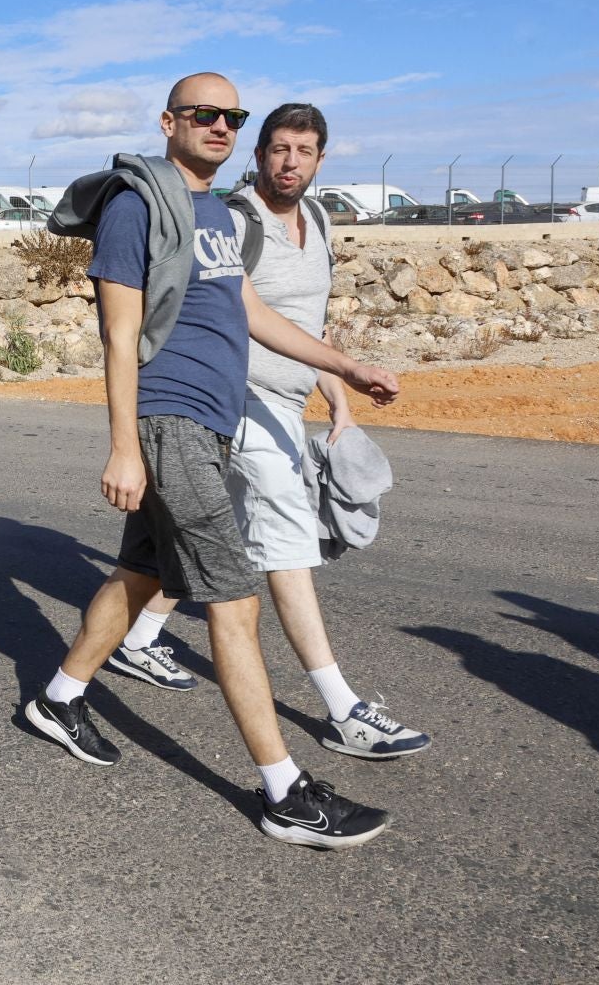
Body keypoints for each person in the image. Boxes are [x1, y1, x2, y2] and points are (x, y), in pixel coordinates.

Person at [31, 72, 402, 850]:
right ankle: (286, 792)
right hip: (169, 423)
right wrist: (125, 445)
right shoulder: (138, 206)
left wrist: (346, 367)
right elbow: (119, 335)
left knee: (146, 576)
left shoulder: (212, 214)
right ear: (169, 121)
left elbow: (252, 311)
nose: (221, 127)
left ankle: (60, 698)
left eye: (232, 116)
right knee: (235, 603)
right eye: (204, 114)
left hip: (211, 423)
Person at [104, 103, 431, 759]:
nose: (289, 161)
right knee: (285, 542)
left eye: (303, 150)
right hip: (236, 400)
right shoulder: (237, 220)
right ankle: (343, 711)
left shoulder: (317, 219)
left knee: (197, 536)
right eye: (278, 148)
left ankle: (127, 646)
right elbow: (235, 316)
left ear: (320, 158)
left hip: (286, 402)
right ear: (258, 155)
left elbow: (308, 322)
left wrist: (338, 396)